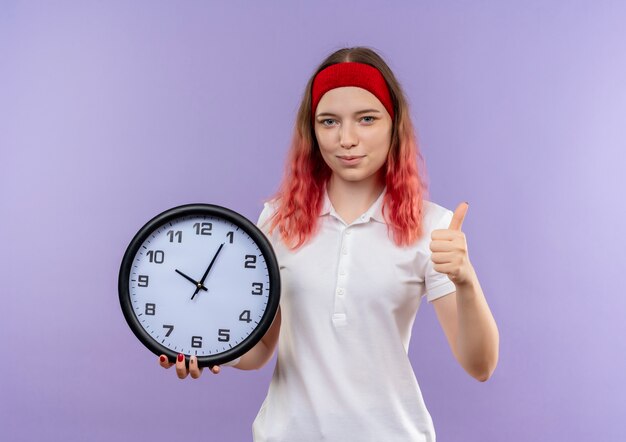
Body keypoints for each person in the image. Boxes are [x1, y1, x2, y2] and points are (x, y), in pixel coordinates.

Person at [159, 46, 499, 441]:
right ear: (313, 130)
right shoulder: (277, 220)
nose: (347, 139)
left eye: (367, 119)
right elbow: (259, 349)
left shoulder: (432, 226)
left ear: (394, 125)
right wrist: (209, 352)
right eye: (329, 121)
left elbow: (481, 365)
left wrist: (466, 280)